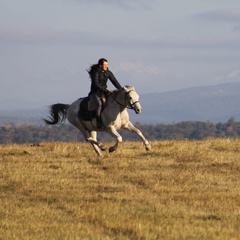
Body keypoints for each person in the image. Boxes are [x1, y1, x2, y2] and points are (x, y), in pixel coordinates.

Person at [87, 58, 122, 128]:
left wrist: (120, 89)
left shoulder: (108, 72)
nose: (106, 66)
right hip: (95, 92)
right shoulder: (95, 72)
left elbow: (114, 81)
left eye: (107, 64)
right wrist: (106, 90)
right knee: (99, 104)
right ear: (100, 65)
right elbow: (96, 84)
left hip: (104, 91)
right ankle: (98, 121)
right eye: (104, 65)